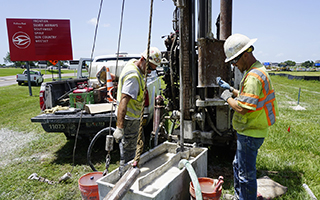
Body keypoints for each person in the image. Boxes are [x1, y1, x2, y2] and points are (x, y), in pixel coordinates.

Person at [218, 33, 279, 200]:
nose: (234, 65)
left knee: (246, 175)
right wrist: (231, 89)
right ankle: (240, 196)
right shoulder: (257, 69)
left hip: (251, 132)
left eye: (234, 61)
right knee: (238, 166)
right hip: (252, 130)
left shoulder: (253, 77)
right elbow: (249, 98)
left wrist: (226, 97)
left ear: (245, 54)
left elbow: (242, 107)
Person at [113, 47, 161, 163]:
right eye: (149, 68)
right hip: (129, 120)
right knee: (130, 152)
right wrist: (120, 127)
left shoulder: (132, 63)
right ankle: (126, 174)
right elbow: (124, 100)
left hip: (135, 119)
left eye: (152, 70)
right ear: (142, 59)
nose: (149, 72)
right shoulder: (133, 77)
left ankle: (135, 168)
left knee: (139, 146)